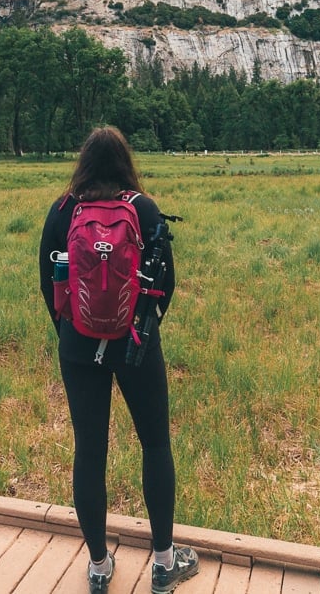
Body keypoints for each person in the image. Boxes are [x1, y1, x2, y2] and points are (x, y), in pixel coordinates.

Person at [39, 125, 199, 594]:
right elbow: (165, 283)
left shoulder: (64, 209)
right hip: (136, 343)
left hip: (77, 344)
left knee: (90, 451)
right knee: (155, 444)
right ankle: (165, 563)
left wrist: (73, 334)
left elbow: (48, 282)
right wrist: (141, 333)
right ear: (126, 161)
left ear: (83, 163)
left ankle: (98, 567)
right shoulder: (143, 208)